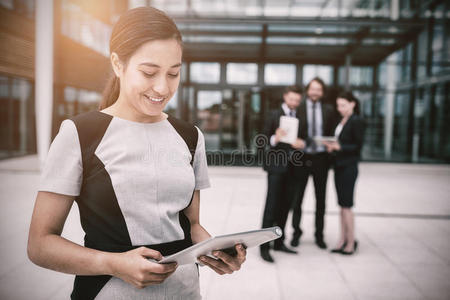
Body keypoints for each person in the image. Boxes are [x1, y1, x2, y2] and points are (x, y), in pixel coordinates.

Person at [27, 7, 246, 300]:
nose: (163, 87)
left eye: (174, 73)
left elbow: (190, 226)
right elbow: (40, 244)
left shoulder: (190, 136)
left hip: (185, 293)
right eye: (149, 72)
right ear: (118, 64)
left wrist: (215, 252)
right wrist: (113, 263)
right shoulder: (80, 133)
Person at [290, 77, 336, 249]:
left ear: (322, 92)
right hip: (302, 158)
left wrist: (331, 144)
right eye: (313, 89)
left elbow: (332, 133)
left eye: (319, 89)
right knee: (298, 199)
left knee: (321, 199)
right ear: (308, 90)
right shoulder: (299, 108)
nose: (315, 92)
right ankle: (296, 233)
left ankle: (319, 235)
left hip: (321, 159)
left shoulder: (329, 110)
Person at [260, 85, 305, 263]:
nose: (294, 103)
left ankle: (279, 243)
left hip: (294, 167)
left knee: (286, 206)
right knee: (271, 206)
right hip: (276, 167)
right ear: (285, 97)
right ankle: (264, 247)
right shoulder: (273, 114)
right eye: (292, 99)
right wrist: (275, 138)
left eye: (297, 101)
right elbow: (262, 139)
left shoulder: (301, 116)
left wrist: (301, 143)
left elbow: (304, 138)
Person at [323, 91, 365, 255]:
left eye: (343, 105)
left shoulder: (357, 121)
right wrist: (331, 146)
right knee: (341, 206)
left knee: (347, 206)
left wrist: (339, 147)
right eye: (338, 105)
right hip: (339, 166)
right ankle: (342, 239)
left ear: (353, 103)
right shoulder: (342, 120)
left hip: (349, 168)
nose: (340, 108)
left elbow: (358, 146)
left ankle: (351, 242)